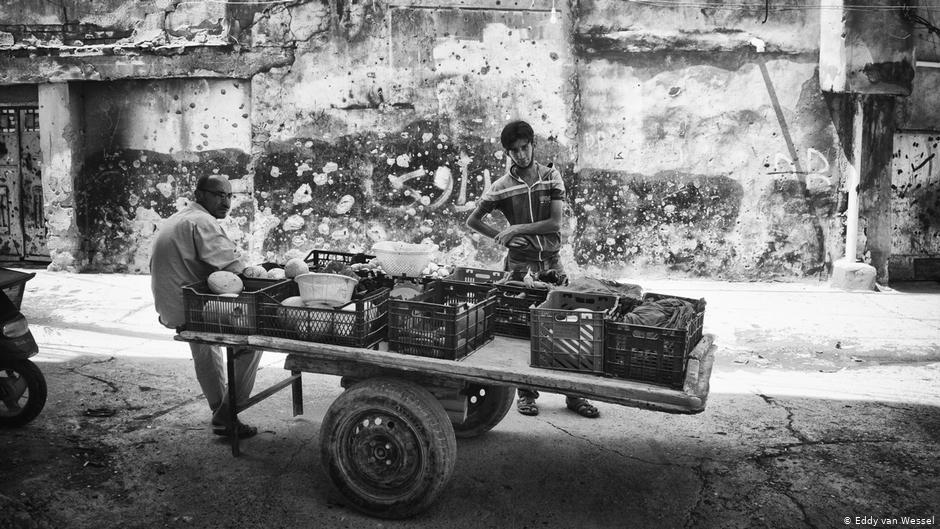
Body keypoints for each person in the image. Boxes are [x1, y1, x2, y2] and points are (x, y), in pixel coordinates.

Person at [466, 120, 599, 419]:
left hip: (552, 262)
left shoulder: (552, 177)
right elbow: (472, 221)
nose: (521, 155)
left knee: (569, 328)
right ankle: (526, 394)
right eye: (514, 151)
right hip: (519, 265)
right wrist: (501, 237)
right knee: (522, 331)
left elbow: (555, 223)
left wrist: (516, 228)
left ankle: (574, 394)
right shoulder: (501, 187)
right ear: (508, 153)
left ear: (533, 145)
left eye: (525, 148)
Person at [150, 174, 262, 438]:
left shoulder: (181, 217)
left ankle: (220, 412)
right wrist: (264, 276)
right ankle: (226, 412)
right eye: (218, 195)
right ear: (200, 194)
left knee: (205, 350)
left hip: (174, 305)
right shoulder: (201, 221)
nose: (225, 202)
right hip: (190, 306)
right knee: (254, 339)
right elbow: (231, 265)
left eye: (229, 196)